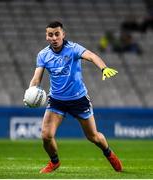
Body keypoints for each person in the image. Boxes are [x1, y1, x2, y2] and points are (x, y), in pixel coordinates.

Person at [24, 21, 123, 174]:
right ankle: (54, 162)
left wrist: (104, 68)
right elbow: (36, 79)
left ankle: (108, 152)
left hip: (78, 99)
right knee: (46, 136)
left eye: (57, 34)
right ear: (47, 36)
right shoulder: (43, 55)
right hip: (56, 101)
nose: (54, 38)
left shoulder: (73, 49)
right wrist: (30, 91)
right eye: (51, 34)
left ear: (63, 34)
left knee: (93, 137)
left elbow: (91, 55)